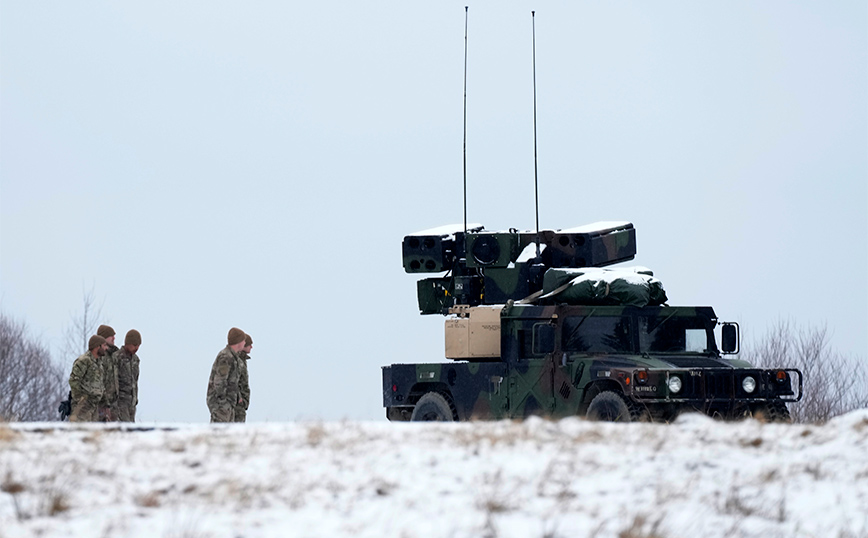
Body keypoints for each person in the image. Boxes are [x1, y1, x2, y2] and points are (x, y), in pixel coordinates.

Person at [206, 327, 245, 423]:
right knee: (219, 433)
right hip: (221, 405)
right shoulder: (226, 357)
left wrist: (237, 397)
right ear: (239, 342)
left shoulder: (233, 357)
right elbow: (219, 381)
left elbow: (233, 382)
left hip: (228, 404)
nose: (244, 343)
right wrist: (223, 401)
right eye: (243, 340)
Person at [69, 335, 107, 422]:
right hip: (83, 407)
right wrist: (81, 400)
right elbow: (74, 380)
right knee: (81, 432)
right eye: (104, 345)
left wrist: (104, 402)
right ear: (98, 346)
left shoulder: (99, 363)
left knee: (93, 434)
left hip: (94, 406)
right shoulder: (84, 360)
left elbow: (100, 384)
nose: (106, 348)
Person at [116, 329, 141, 422]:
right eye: (135, 345)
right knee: (124, 430)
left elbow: (135, 380)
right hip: (120, 402)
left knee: (131, 431)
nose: (137, 348)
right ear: (128, 343)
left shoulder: (136, 360)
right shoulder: (117, 357)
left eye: (138, 346)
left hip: (132, 403)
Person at [97, 324, 120, 421]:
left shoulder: (114, 355)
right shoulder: (99, 356)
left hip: (114, 405)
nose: (114, 338)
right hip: (102, 405)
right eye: (111, 335)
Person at [235, 333, 252, 422]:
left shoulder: (242, 360)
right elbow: (233, 380)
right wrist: (239, 398)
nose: (251, 347)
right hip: (237, 403)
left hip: (241, 404)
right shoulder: (237, 360)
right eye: (249, 344)